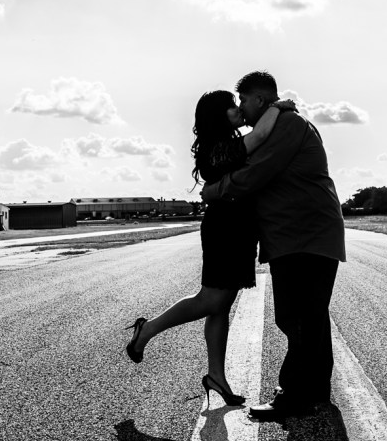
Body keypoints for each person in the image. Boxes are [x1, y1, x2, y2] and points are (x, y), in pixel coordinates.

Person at [124, 89, 295, 408]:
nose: (237, 110)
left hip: (241, 229)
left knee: (221, 305)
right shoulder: (216, 148)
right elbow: (257, 139)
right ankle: (148, 329)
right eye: (232, 106)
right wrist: (276, 107)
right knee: (212, 298)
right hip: (224, 229)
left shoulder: (227, 141)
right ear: (219, 115)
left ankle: (216, 376)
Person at [200, 71, 346, 420]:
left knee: (295, 316)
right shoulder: (280, 124)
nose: (241, 109)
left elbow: (254, 175)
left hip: (303, 235)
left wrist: (212, 191)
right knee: (309, 317)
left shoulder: (287, 126)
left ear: (259, 100)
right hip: (299, 234)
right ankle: (315, 393)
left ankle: (294, 396)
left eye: (243, 101)